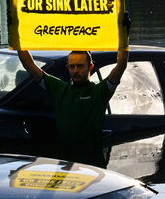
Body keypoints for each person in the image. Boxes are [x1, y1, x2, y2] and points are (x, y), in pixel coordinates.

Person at [17, 13, 131, 167]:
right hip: (64, 165)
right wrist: (16, 30)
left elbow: (121, 66)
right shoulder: (59, 89)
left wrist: (124, 35)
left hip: (93, 166)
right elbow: (28, 64)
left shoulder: (100, 92)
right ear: (67, 68)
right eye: (72, 66)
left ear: (90, 67)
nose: (75, 70)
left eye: (80, 66)